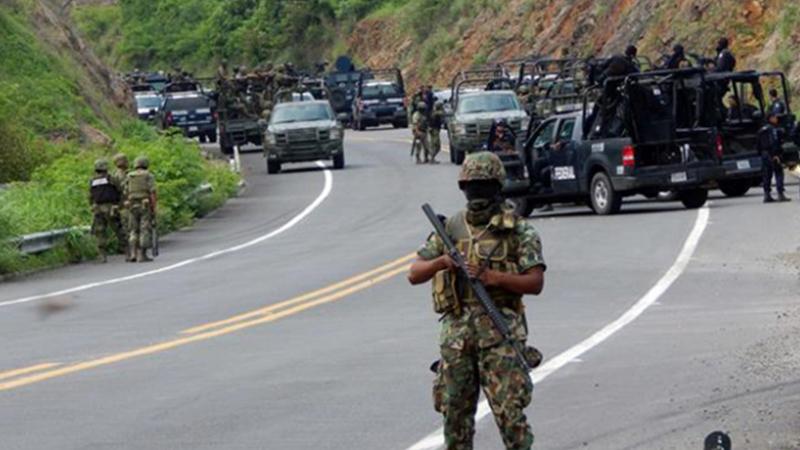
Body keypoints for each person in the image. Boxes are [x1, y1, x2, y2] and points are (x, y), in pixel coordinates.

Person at [408, 151, 546, 450]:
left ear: (497, 187)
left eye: (482, 185)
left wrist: (493, 279)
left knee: (510, 416)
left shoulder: (517, 230)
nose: (476, 193)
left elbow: (535, 282)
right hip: (457, 339)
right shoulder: (450, 229)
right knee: (454, 418)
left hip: (500, 335)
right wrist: (442, 262)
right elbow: (414, 273)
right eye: (471, 186)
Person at [124, 156, 158, 262]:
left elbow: (125, 191)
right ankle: (142, 255)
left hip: (131, 205)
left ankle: (133, 253)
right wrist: (154, 207)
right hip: (145, 204)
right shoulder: (148, 175)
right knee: (144, 229)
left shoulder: (129, 176)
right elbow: (152, 192)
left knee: (133, 230)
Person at [89, 159, 123, 263]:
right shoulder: (111, 178)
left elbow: (90, 195)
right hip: (110, 207)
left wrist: (92, 205)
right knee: (119, 229)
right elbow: (120, 190)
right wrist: (119, 204)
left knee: (100, 232)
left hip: (98, 208)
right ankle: (128, 250)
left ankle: (102, 255)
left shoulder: (92, 180)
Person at [757, 113, 790, 203]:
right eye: (775, 117)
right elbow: (773, 142)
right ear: (771, 118)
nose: (777, 119)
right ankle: (780, 194)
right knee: (779, 173)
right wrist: (775, 155)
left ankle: (767, 194)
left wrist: (761, 154)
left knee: (767, 175)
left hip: (764, 154)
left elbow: (758, 144)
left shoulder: (761, 130)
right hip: (772, 154)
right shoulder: (773, 130)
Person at [112, 153, 130, 259]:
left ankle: (123, 245)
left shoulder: (114, 175)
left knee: (120, 225)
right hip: (124, 203)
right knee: (125, 225)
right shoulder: (124, 175)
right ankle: (126, 246)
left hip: (118, 203)